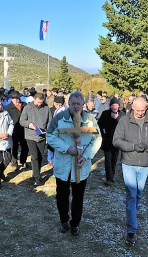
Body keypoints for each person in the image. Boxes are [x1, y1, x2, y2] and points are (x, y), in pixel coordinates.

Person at [46, 91, 102, 236]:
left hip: (80, 165)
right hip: (63, 166)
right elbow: (50, 136)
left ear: (83, 105)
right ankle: (64, 221)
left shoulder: (90, 119)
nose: (76, 107)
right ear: (68, 104)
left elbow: (97, 139)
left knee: (78, 198)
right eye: (73, 104)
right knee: (62, 196)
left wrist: (87, 155)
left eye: (79, 104)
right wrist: (67, 148)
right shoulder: (60, 118)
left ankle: (75, 224)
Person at [113, 97, 148, 245]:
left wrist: (147, 146)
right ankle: (131, 230)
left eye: (143, 110)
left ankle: (131, 216)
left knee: (138, 195)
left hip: (145, 164)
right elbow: (116, 140)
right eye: (138, 110)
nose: (140, 113)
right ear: (132, 107)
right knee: (131, 195)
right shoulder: (124, 120)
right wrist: (133, 146)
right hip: (128, 162)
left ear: (147, 107)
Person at [20, 92, 52, 186]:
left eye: (41, 102)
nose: (39, 104)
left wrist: (48, 130)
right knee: (34, 156)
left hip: (42, 136)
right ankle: (37, 178)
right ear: (34, 99)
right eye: (38, 102)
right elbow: (21, 120)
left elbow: (50, 121)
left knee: (40, 156)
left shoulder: (46, 108)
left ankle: (35, 173)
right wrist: (29, 125)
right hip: (30, 136)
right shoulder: (27, 107)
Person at [97, 97, 125, 185]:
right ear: (110, 106)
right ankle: (109, 178)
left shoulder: (122, 115)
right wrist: (103, 134)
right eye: (113, 105)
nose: (114, 107)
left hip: (117, 142)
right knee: (108, 160)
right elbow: (99, 125)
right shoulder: (105, 113)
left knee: (114, 160)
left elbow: (124, 127)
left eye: (116, 105)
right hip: (107, 141)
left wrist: (116, 119)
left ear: (119, 106)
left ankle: (112, 176)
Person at [4, 91, 29, 169]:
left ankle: (23, 160)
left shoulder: (25, 105)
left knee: (25, 146)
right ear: (11, 99)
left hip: (24, 129)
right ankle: (14, 163)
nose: (17, 100)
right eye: (15, 99)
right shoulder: (7, 108)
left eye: (18, 98)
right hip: (13, 130)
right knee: (14, 147)